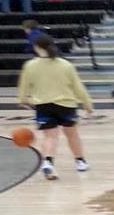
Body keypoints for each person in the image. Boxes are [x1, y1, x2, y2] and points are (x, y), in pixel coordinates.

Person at [16, 38, 93, 180]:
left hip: (43, 105)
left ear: (37, 47)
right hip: (66, 104)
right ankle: (80, 161)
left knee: (50, 136)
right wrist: (87, 104)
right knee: (72, 134)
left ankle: (48, 162)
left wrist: (23, 100)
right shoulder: (65, 65)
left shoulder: (30, 65)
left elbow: (24, 85)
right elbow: (77, 86)